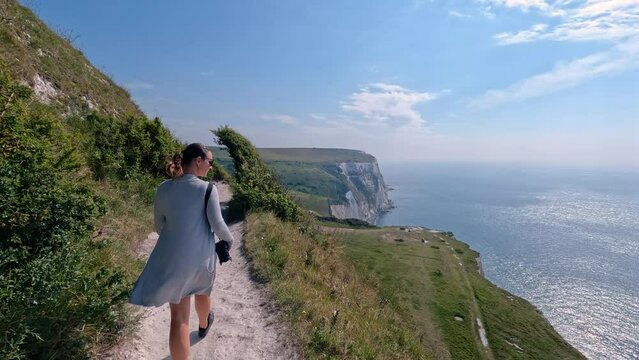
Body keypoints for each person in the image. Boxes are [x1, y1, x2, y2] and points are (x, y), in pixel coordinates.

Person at [129, 143, 234, 360]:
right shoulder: (207, 189)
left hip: (172, 260)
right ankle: (205, 325)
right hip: (200, 260)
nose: (211, 167)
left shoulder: (164, 188)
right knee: (203, 291)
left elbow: (159, 226)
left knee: (179, 319)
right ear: (198, 160)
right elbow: (218, 225)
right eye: (210, 162)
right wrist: (229, 240)